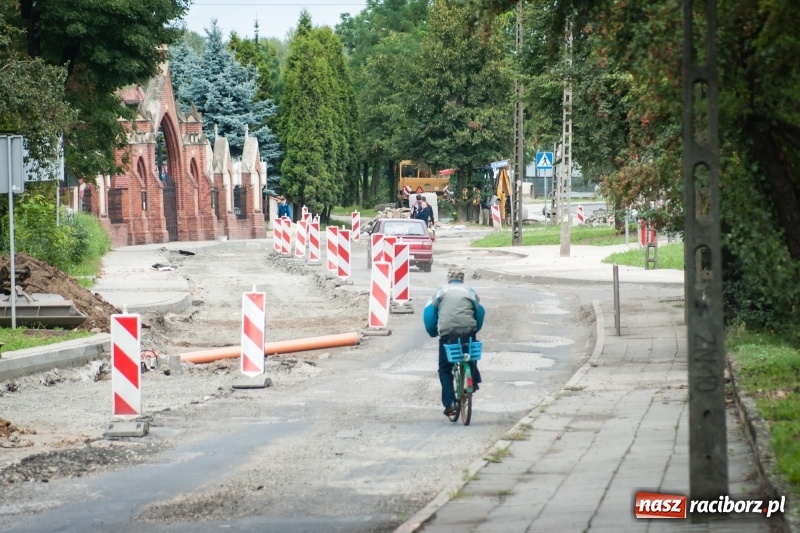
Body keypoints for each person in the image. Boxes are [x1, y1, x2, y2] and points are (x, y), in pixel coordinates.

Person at [423, 267, 485, 416]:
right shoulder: (470, 291)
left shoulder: (440, 292)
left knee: (445, 369)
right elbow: (481, 312)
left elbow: (429, 315)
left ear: (448, 279)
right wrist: (475, 329)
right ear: (462, 279)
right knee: (469, 353)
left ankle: (450, 403)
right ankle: (474, 379)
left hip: (447, 334)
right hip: (467, 331)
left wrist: (432, 332)